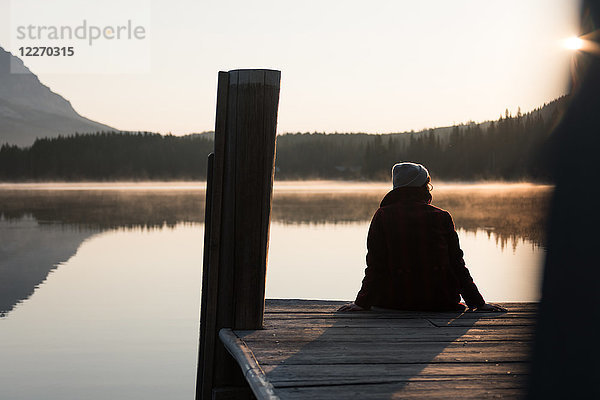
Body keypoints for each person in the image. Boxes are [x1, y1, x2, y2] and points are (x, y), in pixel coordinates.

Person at [338, 162, 505, 312]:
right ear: (423, 187)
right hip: (440, 302)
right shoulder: (441, 217)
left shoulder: (383, 216)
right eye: (428, 184)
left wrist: (362, 302)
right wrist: (478, 303)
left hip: (393, 302)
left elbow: (376, 265)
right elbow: (456, 264)